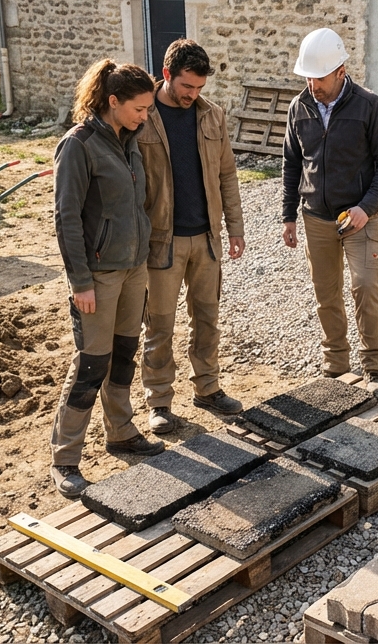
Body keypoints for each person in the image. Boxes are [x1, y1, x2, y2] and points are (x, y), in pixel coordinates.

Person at [50, 58, 163, 499]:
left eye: (148, 109)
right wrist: (80, 282)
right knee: (91, 364)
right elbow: (66, 218)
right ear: (113, 101)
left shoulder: (128, 141)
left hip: (133, 268)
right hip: (98, 276)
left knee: (123, 354)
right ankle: (65, 458)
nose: (145, 116)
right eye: (139, 109)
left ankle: (121, 432)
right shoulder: (78, 145)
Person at [281, 27, 378, 395]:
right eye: (308, 77)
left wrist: (367, 207)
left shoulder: (369, 106)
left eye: (319, 78)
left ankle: (373, 367)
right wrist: (288, 216)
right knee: (326, 292)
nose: (312, 85)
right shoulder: (298, 107)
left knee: (365, 287)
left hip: (358, 216)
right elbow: (291, 163)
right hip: (315, 216)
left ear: (341, 71)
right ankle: (335, 364)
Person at [138, 39, 246, 433]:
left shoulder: (213, 116)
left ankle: (208, 388)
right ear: (166, 74)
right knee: (159, 325)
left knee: (207, 319)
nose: (193, 94)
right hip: (160, 243)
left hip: (206, 239)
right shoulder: (142, 116)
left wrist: (235, 228)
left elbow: (227, 175)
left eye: (200, 87)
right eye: (187, 86)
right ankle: (159, 402)